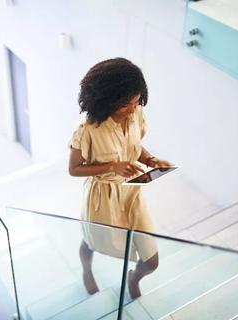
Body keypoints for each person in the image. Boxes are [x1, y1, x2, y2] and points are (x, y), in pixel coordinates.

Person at [68, 57, 173, 299]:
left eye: (137, 102)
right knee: (91, 240)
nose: (132, 110)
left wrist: (151, 160)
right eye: (126, 105)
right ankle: (87, 270)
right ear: (107, 100)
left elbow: (135, 145)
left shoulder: (135, 114)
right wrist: (112, 166)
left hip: (132, 192)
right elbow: (74, 169)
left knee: (152, 261)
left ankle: (134, 278)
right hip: (102, 196)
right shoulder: (88, 130)